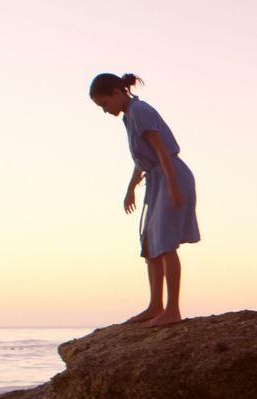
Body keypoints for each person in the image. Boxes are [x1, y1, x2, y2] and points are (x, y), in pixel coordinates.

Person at [89, 73, 200, 327]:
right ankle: (155, 305)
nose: (105, 111)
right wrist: (131, 188)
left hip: (171, 174)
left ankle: (172, 309)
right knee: (150, 244)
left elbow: (161, 149)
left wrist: (172, 186)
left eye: (105, 104)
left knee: (166, 243)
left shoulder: (139, 110)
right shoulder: (129, 116)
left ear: (118, 93)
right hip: (157, 177)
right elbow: (143, 159)